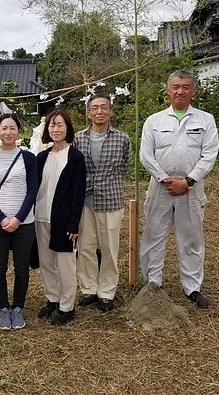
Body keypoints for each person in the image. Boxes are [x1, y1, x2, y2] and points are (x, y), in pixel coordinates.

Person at [139, 70, 219, 308]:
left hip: (191, 190)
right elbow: (146, 155)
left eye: (185, 87)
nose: (180, 91)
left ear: (193, 91)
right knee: (153, 236)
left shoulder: (205, 120)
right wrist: (165, 179)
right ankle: (153, 284)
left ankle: (192, 288)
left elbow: (209, 154)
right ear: (168, 90)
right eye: (175, 87)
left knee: (191, 239)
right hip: (160, 189)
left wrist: (189, 181)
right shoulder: (154, 121)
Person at [73, 92, 131, 313]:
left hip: (111, 199)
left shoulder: (122, 139)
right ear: (88, 113)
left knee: (109, 248)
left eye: (104, 107)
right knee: (85, 247)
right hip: (84, 200)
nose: (100, 111)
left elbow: (124, 168)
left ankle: (106, 292)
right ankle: (88, 288)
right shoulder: (78, 138)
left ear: (111, 111)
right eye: (95, 107)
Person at [0, 114, 38, 330]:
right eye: (4, 128)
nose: (8, 132)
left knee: (22, 267)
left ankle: (18, 307)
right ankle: (3, 308)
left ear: (18, 132)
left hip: (25, 223)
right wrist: (2, 218)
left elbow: (33, 190)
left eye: (12, 128)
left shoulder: (29, 158)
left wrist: (19, 218)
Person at [36, 109, 86, 326]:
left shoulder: (75, 157)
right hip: (41, 216)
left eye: (60, 125)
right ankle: (52, 298)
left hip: (64, 220)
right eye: (52, 125)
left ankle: (67, 306)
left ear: (68, 129)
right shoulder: (41, 157)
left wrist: (74, 222)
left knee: (65, 263)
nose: (55, 129)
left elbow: (78, 192)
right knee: (46, 262)